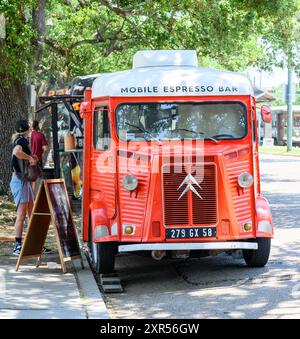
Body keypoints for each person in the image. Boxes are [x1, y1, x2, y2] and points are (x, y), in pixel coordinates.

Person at [10, 120, 37, 256]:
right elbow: (16, 152)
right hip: (20, 182)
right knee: (22, 214)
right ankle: (17, 245)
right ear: (27, 129)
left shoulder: (19, 139)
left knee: (31, 213)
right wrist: (30, 158)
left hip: (23, 181)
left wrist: (30, 157)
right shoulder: (22, 140)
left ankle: (34, 244)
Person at [30, 120, 48, 194]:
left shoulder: (28, 135)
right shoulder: (40, 135)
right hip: (37, 159)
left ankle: (31, 197)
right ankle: (35, 197)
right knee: (37, 179)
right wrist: (41, 152)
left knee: (30, 178)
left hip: (28, 160)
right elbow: (45, 148)